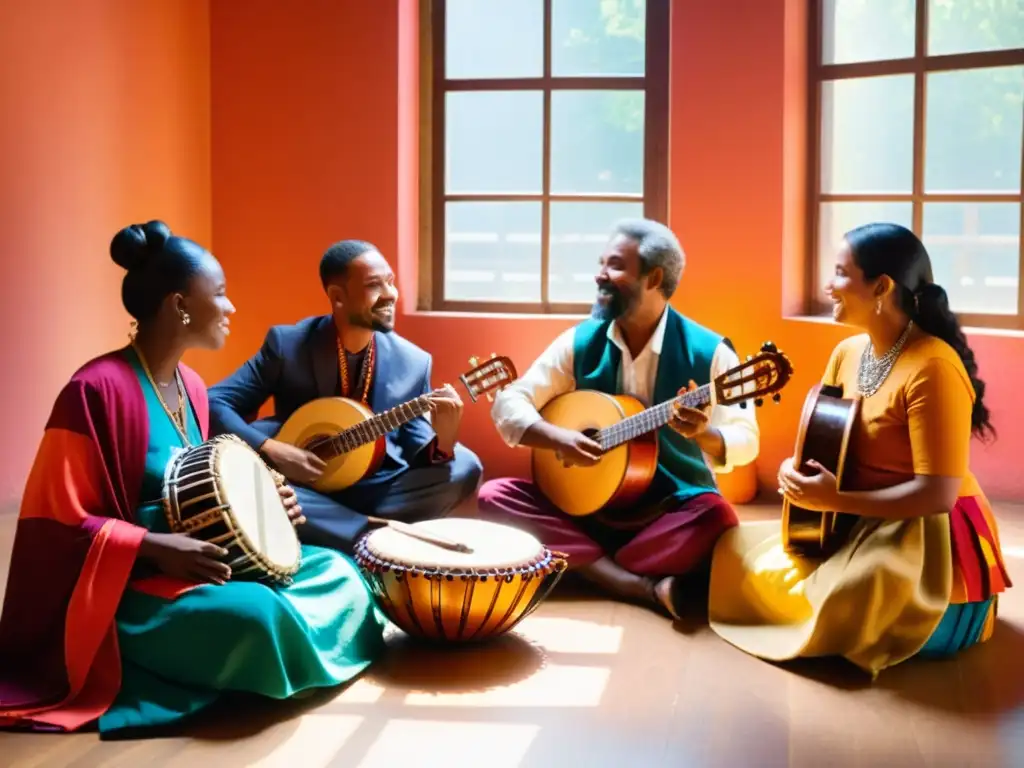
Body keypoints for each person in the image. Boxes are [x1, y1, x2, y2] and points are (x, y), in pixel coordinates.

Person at [0, 221, 388, 739]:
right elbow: (56, 521)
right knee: (257, 617)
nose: (231, 308)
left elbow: (208, 483)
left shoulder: (194, 389)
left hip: (207, 558)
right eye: (221, 295)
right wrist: (156, 547)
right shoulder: (93, 391)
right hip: (130, 585)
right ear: (180, 305)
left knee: (342, 573)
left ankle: (256, 660)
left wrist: (271, 509)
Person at [707, 222, 1011, 677]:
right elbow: (823, 440)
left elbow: (937, 496)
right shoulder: (849, 351)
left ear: (882, 288)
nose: (827, 286)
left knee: (858, 590)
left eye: (840, 273)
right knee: (733, 547)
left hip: (921, 536)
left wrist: (833, 499)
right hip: (849, 519)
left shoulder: (934, 368)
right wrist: (795, 470)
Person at [477, 218, 760, 618]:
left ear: (654, 277)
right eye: (602, 263)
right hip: (584, 505)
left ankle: (579, 564)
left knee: (716, 517)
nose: (600, 275)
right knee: (495, 495)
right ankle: (634, 583)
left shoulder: (712, 353)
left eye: (615, 265)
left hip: (665, 508)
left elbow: (747, 439)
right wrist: (555, 437)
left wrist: (705, 434)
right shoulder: (580, 341)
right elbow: (511, 400)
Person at [208, 239, 483, 556]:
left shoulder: (413, 362)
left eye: (390, 282)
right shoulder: (288, 345)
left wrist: (444, 441)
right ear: (338, 297)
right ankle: (370, 535)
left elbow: (416, 449)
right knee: (252, 481)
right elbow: (214, 402)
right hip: (301, 486)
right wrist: (274, 450)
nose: (390, 294)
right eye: (373, 285)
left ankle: (344, 529)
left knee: (465, 466)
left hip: (375, 487)